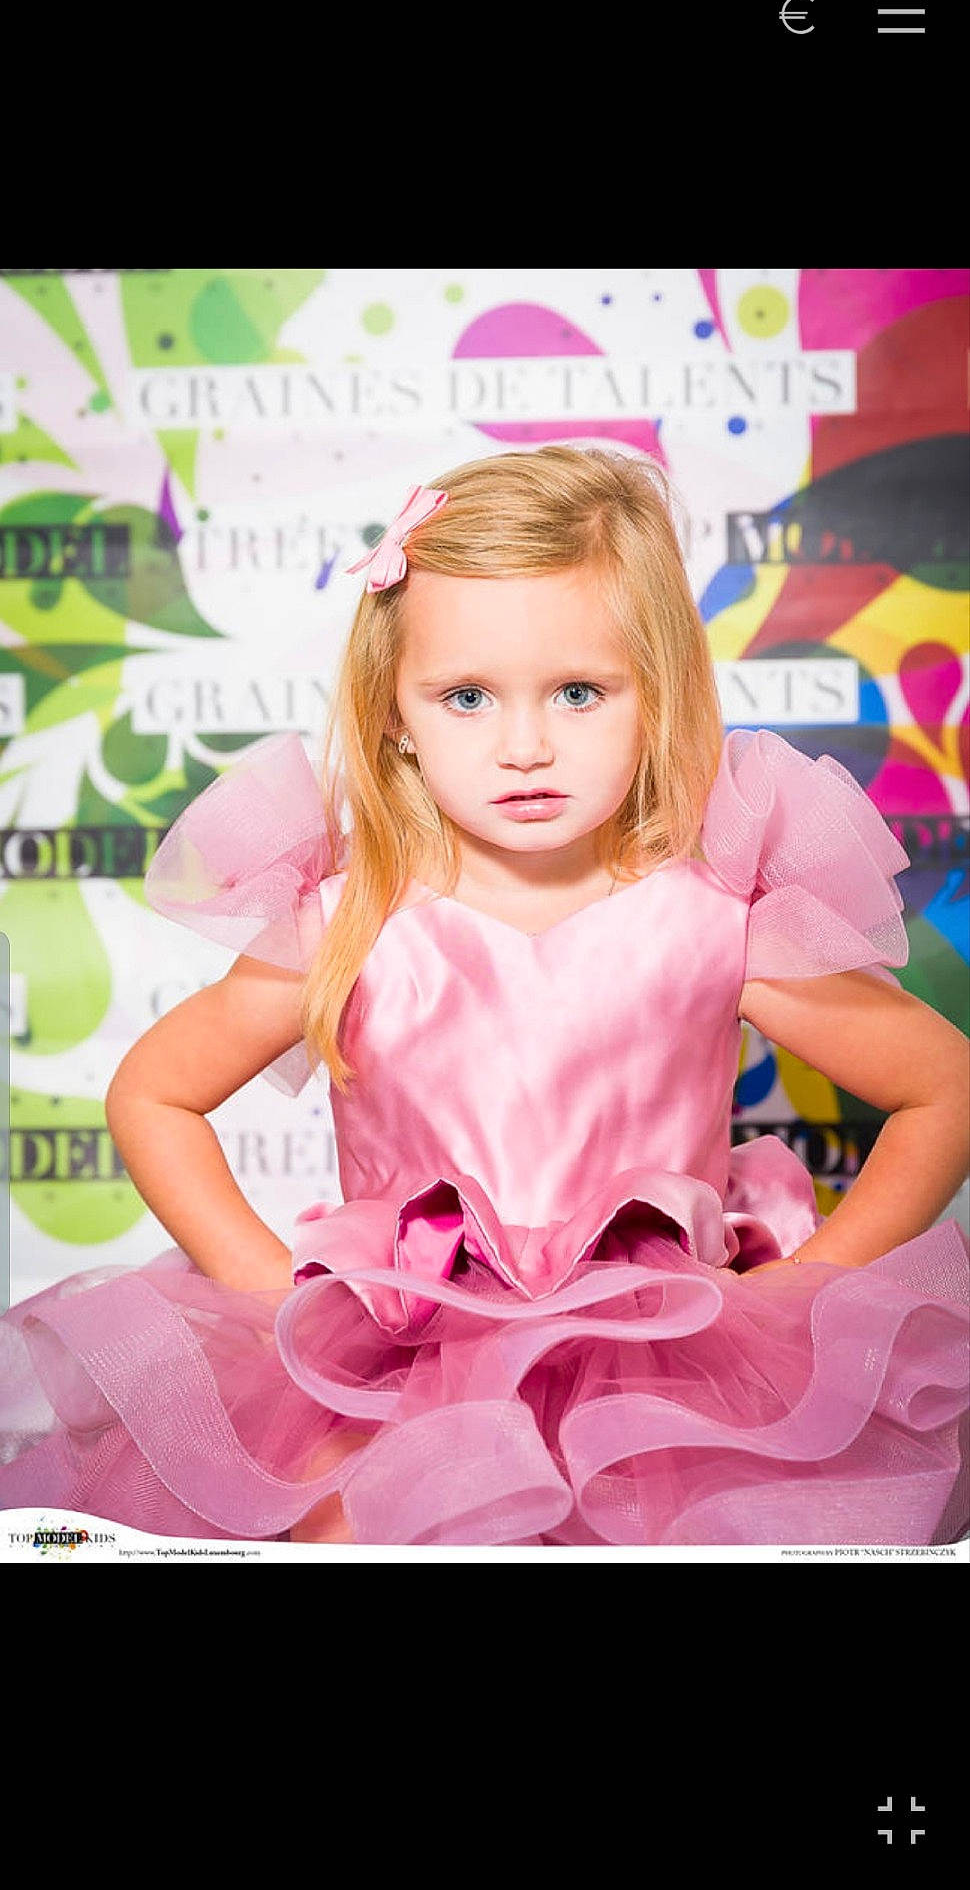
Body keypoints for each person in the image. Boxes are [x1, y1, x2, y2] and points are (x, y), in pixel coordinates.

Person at [1, 444, 968, 1549]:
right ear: (394, 710)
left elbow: (942, 1086)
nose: (523, 745)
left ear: (657, 693)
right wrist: (270, 1294)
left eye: (577, 691)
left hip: (667, 1390)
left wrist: (812, 1288)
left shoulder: (714, 915)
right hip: (394, 1383)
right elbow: (154, 1095)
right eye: (466, 695)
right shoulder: (349, 916)